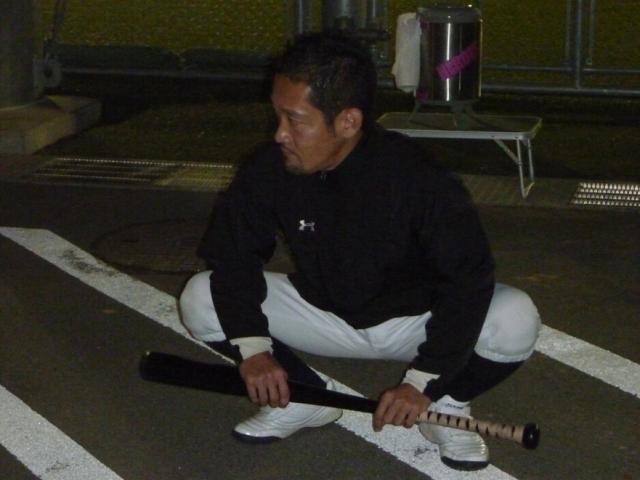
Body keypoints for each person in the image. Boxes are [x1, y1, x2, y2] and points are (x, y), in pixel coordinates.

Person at [179, 32, 540, 471]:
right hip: (324, 314)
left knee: (515, 316)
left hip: (416, 324)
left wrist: (423, 383)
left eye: (296, 120)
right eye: (277, 115)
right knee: (200, 296)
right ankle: (302, 397)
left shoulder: (419, 178)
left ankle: (446, 406)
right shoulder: (268, 168)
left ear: (348, 121)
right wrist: (254, 350)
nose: (280, 134)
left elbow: (468, 280)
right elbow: (233, 256)